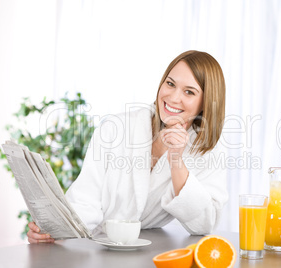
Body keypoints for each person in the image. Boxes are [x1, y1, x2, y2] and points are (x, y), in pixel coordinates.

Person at [27, 50, 228, 243]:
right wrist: (55, 229)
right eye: (170, 83)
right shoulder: (116, 129)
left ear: (206, 102)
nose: (174, 98)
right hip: (94, 248)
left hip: (147, 253)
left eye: (189, 92)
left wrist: (176, 160)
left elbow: (203, 224)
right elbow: (85, 198)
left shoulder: (208, 150)